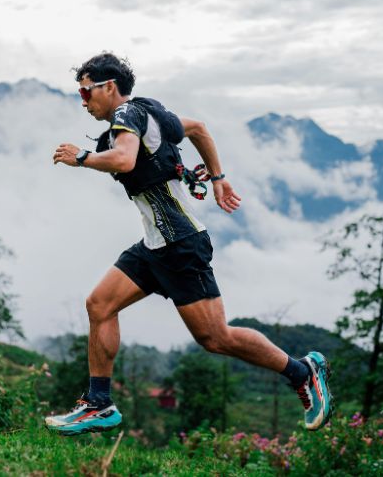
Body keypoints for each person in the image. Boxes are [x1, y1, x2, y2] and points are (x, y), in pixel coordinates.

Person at [47, 52, 333, 436]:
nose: (83, 101)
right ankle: (99, 404)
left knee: (217, 338)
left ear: (108, 87)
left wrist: (82, 157)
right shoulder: (149, 113)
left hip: (180, 245)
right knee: (99, 304)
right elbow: (198, 128)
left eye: (86, 92)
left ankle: (303, 371)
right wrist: (219, 177)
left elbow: (126, 160)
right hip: (155, 246)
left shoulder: (126, 117)